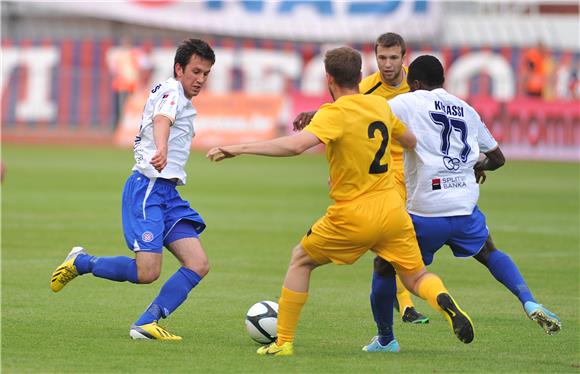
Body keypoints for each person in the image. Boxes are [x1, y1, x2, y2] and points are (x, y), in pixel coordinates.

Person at [207, 46, 474, 356]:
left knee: (301, 260)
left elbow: (295, 146)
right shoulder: (380, 106)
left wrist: (239, 148)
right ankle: (443, 300)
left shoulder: (333, 113)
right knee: (416, 277)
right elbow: (411, 141)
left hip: (353, 214)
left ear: (328, 79)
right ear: (360, 76)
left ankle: (283, 343)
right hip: (392, 210)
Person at [50, 38, 216, 341]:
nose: (200, 79)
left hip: (168, 194)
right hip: (149, 188)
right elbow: (162, 119)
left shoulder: (178, 95)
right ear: (179, 69)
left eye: (206, 73)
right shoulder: (171, 91)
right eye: (196, 71)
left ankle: (146, 322)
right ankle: (81, 262)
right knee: (147, 272)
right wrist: (162, 148)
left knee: (198, 264)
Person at [386, 55, 561, 339]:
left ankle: (386, 339)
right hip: (464, 206)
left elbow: (363, 112)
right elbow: (498, 158)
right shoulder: (465, 109)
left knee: (386, 265)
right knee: (491, 253)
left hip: (427, 209)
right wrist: (477, 164)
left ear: (415, 83)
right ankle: (529, 301)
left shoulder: (410, 101)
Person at [293, 32, 429, 328]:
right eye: (382, 58)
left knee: (397, 236)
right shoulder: (368, 87)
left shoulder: (417, 87)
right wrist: (315, 114)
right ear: (374, 58)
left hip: (412, 166)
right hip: (382, 173)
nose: (388, 64)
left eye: (393, 58)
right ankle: (406, 304)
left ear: (404, 58)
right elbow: (347, 111)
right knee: (393, 235)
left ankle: (404, 300)